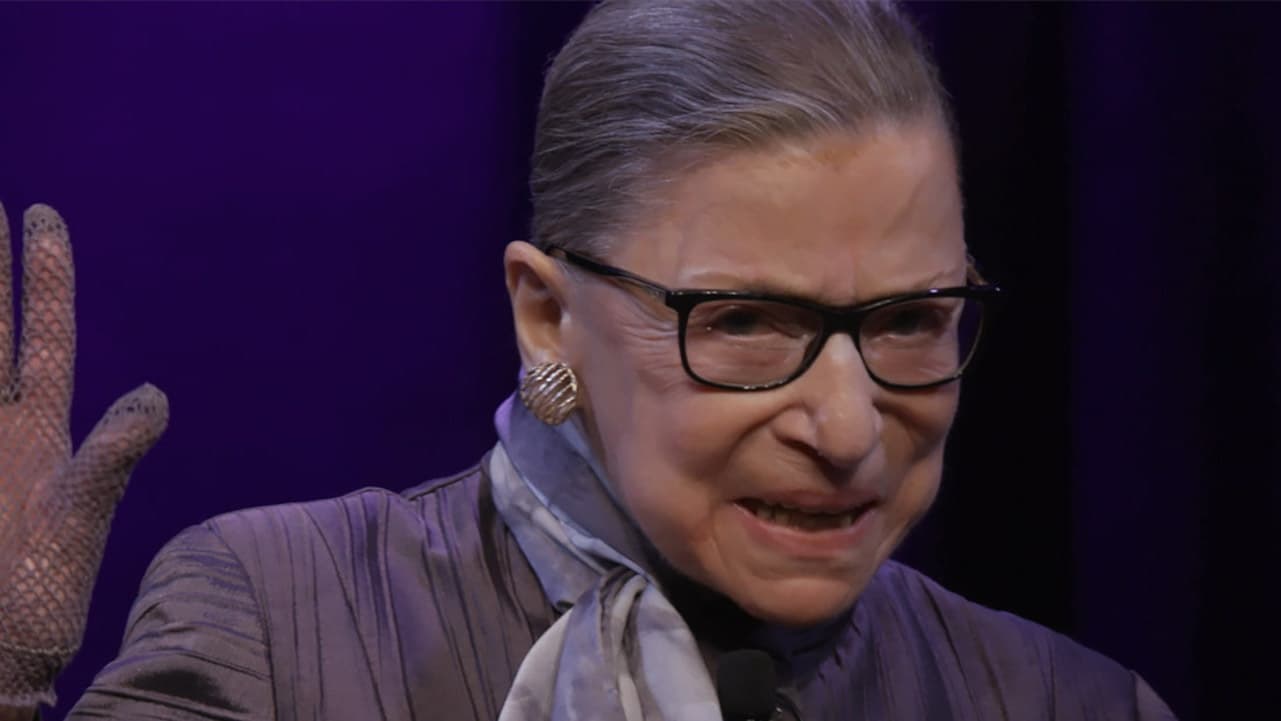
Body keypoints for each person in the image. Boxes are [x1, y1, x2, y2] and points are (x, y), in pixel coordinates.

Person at [0, 1, 1177, 719]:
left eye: (911, 320)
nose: (850, 426)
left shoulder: (1069, 704)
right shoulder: (280, 625)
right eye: (746, 321)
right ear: (547, 316)